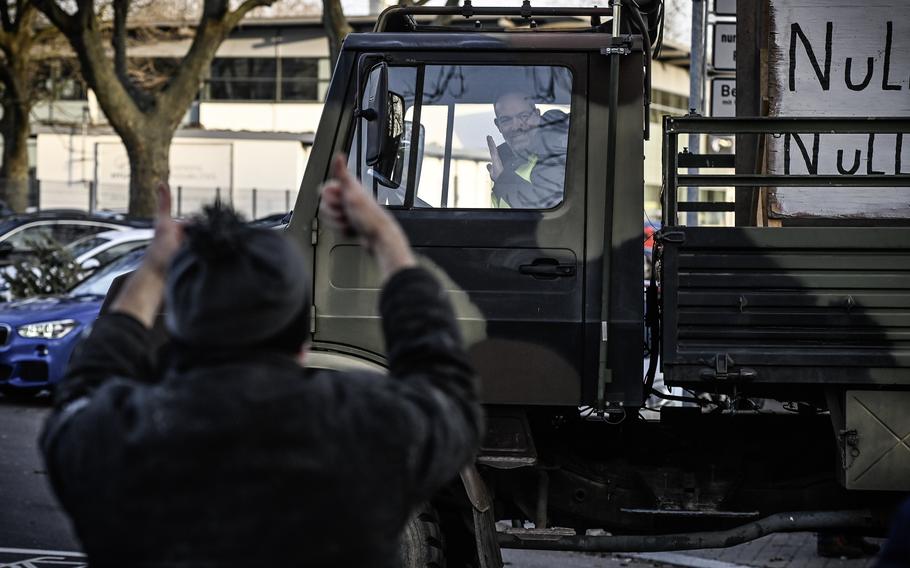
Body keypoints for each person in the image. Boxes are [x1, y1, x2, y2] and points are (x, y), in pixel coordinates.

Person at [40, 155, 484, 567]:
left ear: (179, 327)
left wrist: (154, 269)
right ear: (299, 340)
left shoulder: (113, 437)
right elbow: (446, 387)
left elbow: (87, 382)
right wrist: (387, 240)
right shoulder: (367, 428)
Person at [485, 91, 569, 209]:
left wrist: (503, 180)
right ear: (498, 125)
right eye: (506, 120)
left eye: (524, 116)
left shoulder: (558, 153)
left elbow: (548, 209)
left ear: (537, 115)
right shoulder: (503, 164)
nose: (515, 126)